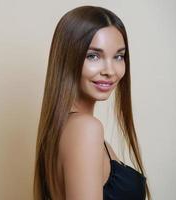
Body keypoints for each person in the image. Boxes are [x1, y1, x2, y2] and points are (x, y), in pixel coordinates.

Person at [33, 5, 151, 200]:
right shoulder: (85, 129)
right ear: (67, 58)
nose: (110, 70)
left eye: (118, 56)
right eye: (93, 56)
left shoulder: (65, 128)